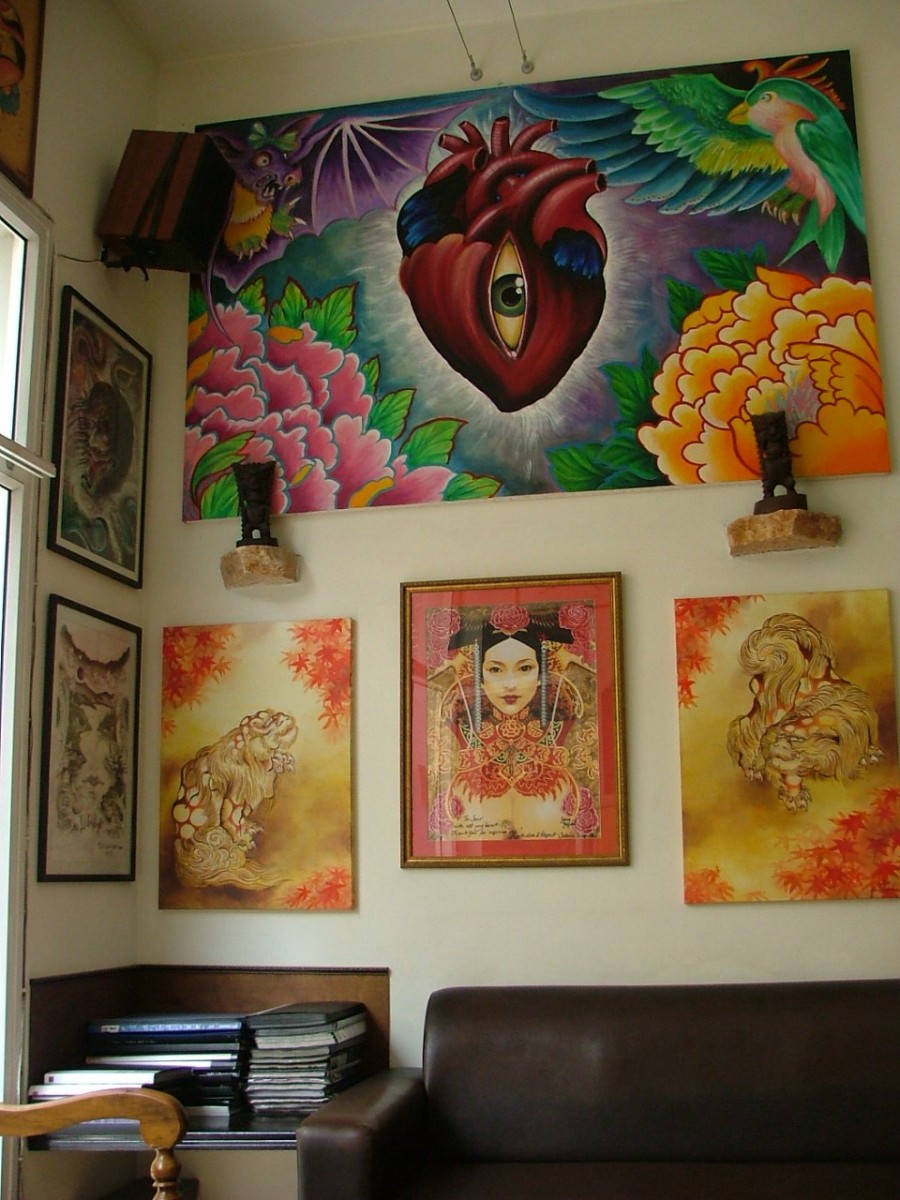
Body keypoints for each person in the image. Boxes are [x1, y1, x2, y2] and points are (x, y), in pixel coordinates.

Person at [431, 605, 599, 840]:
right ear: (481, 677)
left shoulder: (563, 716)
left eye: (525, 668)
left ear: (540, 675)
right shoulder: (459, 718)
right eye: (496, 669)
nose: (510, 684)